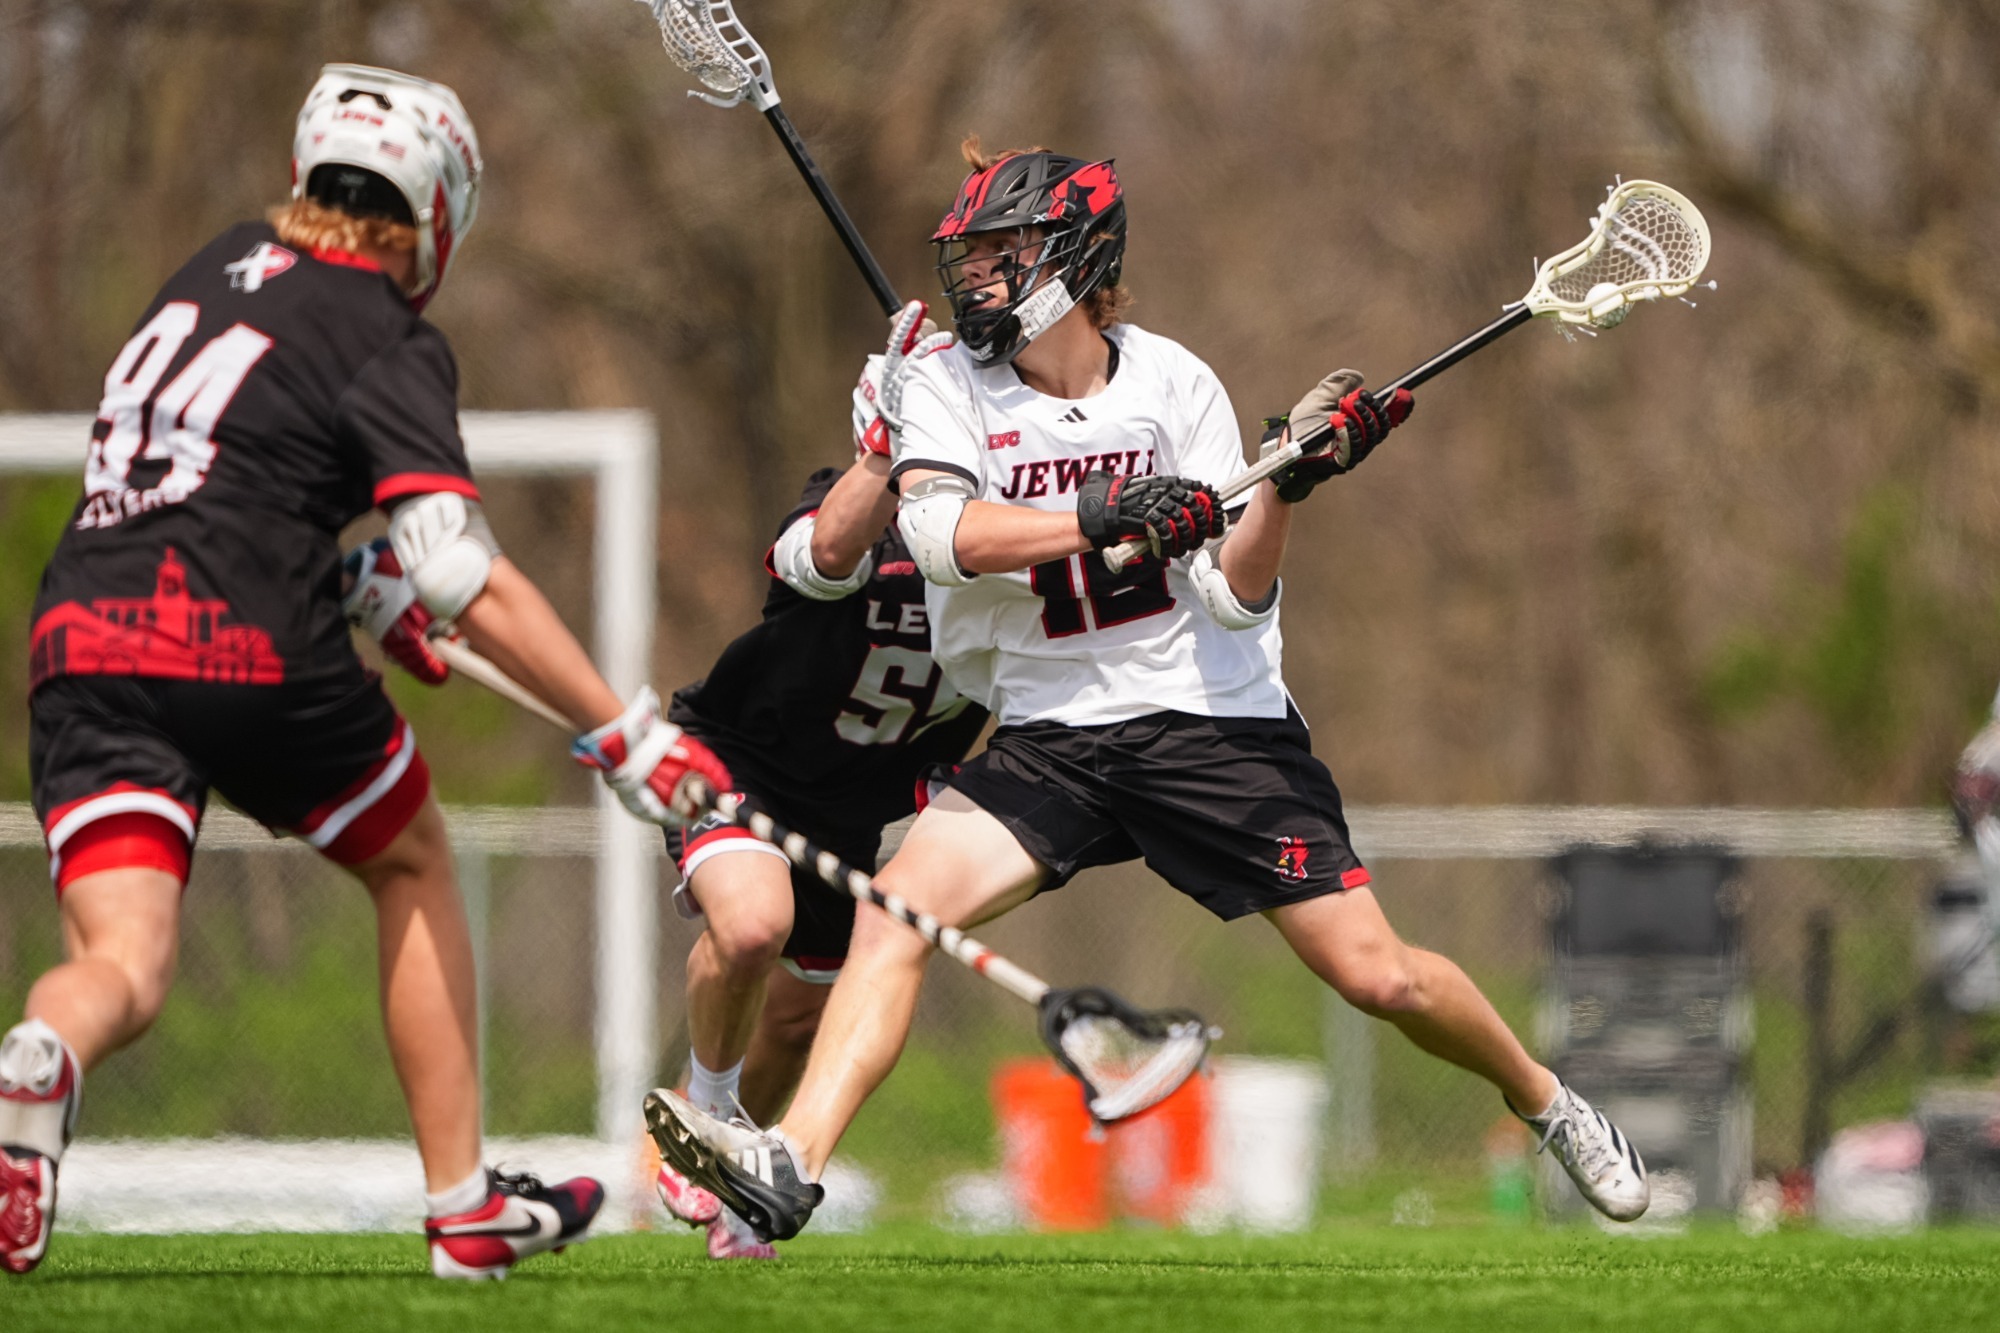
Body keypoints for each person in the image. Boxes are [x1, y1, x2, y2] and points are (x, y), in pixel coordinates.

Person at [647, 141, 1651, 1241]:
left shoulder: (1174, 383)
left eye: (1001, 253)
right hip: (1047, 733)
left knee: (1382, 979)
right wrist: (1102, 514)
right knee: (897, 917)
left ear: (1075, 258)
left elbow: (1228, 597)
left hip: (1207, 723)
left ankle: (1544, 1100)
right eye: (967, 255)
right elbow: (936, 534)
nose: (972, 276)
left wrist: (1286, 481)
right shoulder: (941, 383)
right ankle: (792, 1164)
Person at [0, 64, 727, 1280]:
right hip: (236, 646)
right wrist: (624, 732)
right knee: (411, 857)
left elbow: (220, 476)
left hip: (83, 637)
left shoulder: (214, 266)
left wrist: (346, 578)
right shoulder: (382, 328)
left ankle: (38, 1059)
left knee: (120, 962)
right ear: (437, 209)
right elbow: (458, 575)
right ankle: (462, 1205)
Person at [650, 303, 989, 1259]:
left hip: (852, 815)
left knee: (801, 1017)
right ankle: (704, 1107)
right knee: (754, 922)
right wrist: (882, 455)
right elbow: (827, 555)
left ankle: (737, 1184)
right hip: (742, 763)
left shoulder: (1003, 558)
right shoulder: (847, 507)